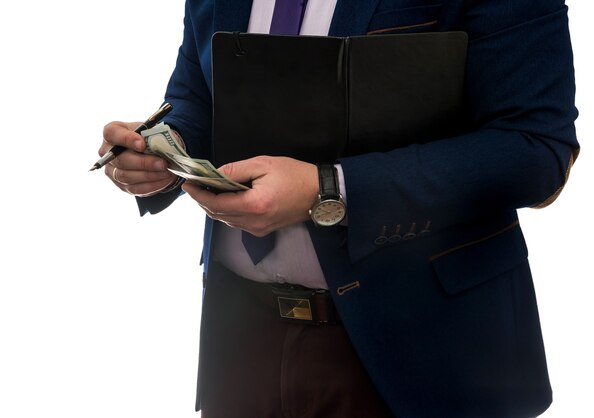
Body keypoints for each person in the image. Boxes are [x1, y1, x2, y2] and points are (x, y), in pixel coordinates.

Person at [98, 0, 579, 417]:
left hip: (425, 353)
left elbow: (534, 147)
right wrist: (165, 148)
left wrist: (329, 189)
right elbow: (198, 93)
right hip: (240, 342)